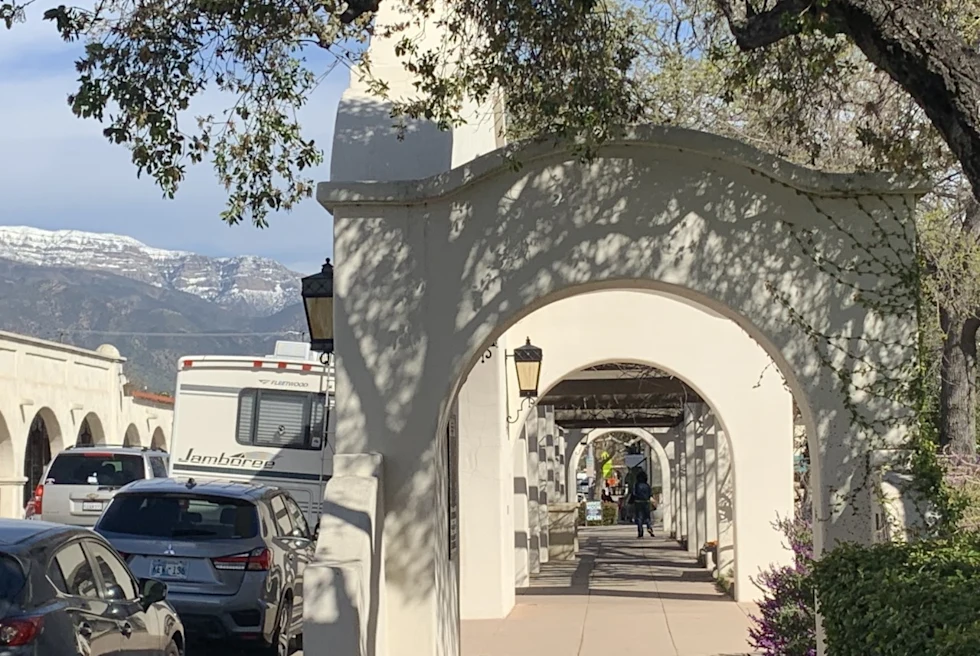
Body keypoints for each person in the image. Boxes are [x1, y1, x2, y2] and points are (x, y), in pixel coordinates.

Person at [628, 471, 655, 538]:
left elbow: (633, 494)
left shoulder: (637, 485)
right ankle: (649, 527)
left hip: (638, 502)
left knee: (639, 518)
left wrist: (630, 501)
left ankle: (640, 532)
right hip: (646, 502)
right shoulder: (647, 485)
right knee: (647, 517)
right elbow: (650, 494)